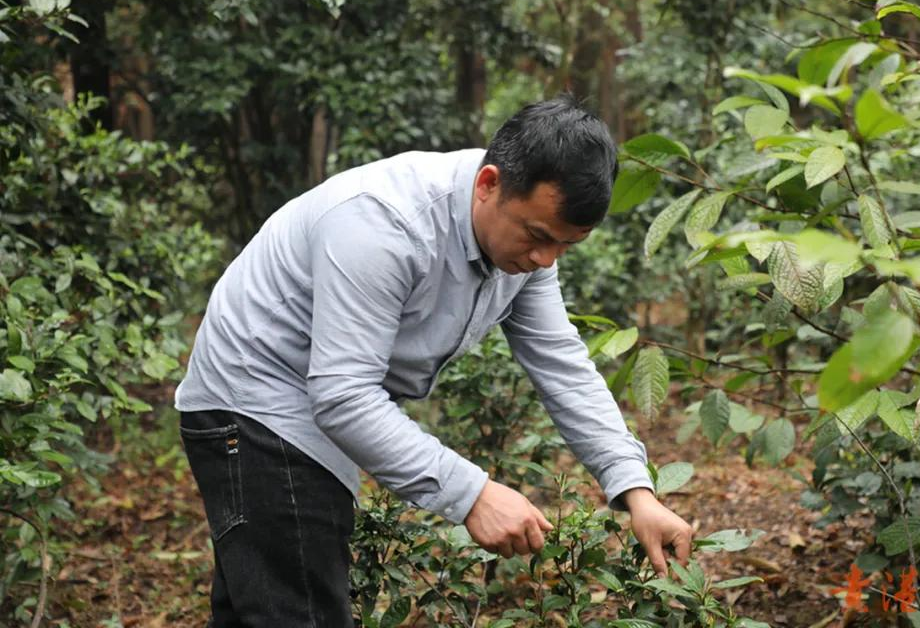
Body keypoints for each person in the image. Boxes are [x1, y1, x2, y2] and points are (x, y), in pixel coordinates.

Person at [175, 95, 694, 626]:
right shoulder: (383, 225)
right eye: (538, 236)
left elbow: (562, 363)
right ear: (488, 184)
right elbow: (343, 396)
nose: (545, 260)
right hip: (255, 406)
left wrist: (635, 490)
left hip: (300, 411)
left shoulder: (528, 258)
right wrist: (474, 494)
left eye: (567, 245)